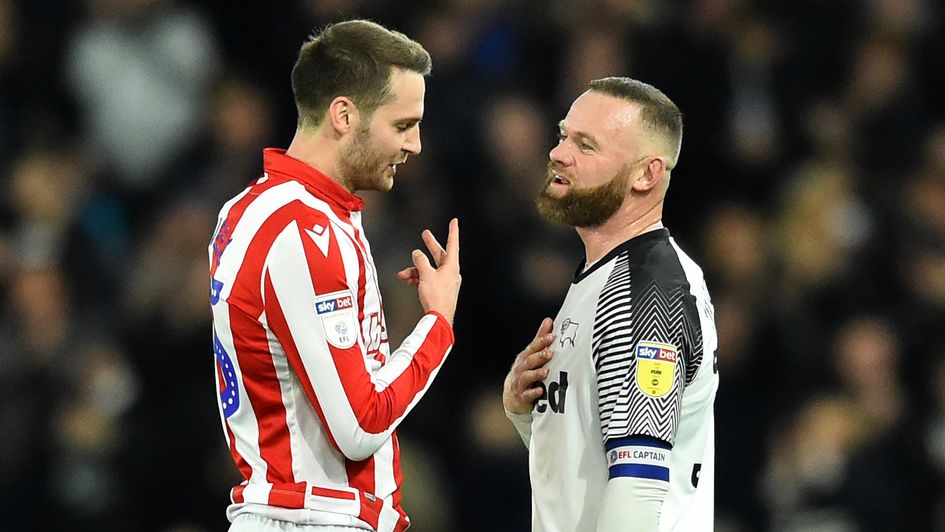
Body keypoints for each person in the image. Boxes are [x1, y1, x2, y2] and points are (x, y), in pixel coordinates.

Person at [208, 20, 461, 532]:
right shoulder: (303, 232)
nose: (415, 144)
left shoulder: (252, 210)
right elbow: (360, 426)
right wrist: (437, 323)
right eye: (403, 125)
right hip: (312, 518)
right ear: (344, 115)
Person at [502, 77, 719, 531]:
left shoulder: (646, 290)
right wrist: (525, 415)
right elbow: (584, 473)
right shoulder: (606, 275)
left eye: (586, 145)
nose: (558, 153)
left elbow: (639, 486)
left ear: (646, 174)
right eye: (563, 135)